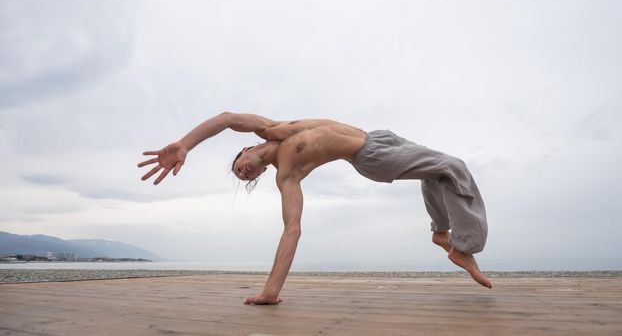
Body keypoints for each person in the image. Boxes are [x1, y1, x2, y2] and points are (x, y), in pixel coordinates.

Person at [138, 112, 491, 305]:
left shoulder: (271, 127)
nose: (244, 172)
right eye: (246, 177)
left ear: (246, 149)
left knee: (436, 174)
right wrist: (271, 292)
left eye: (240, 165)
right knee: (453, 166)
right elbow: (292, 229)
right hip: (371, 156)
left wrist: (185, 143)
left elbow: (227, 118)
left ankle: (441, 233)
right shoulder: (288, 174)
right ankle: (461, 247)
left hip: (381, 136)